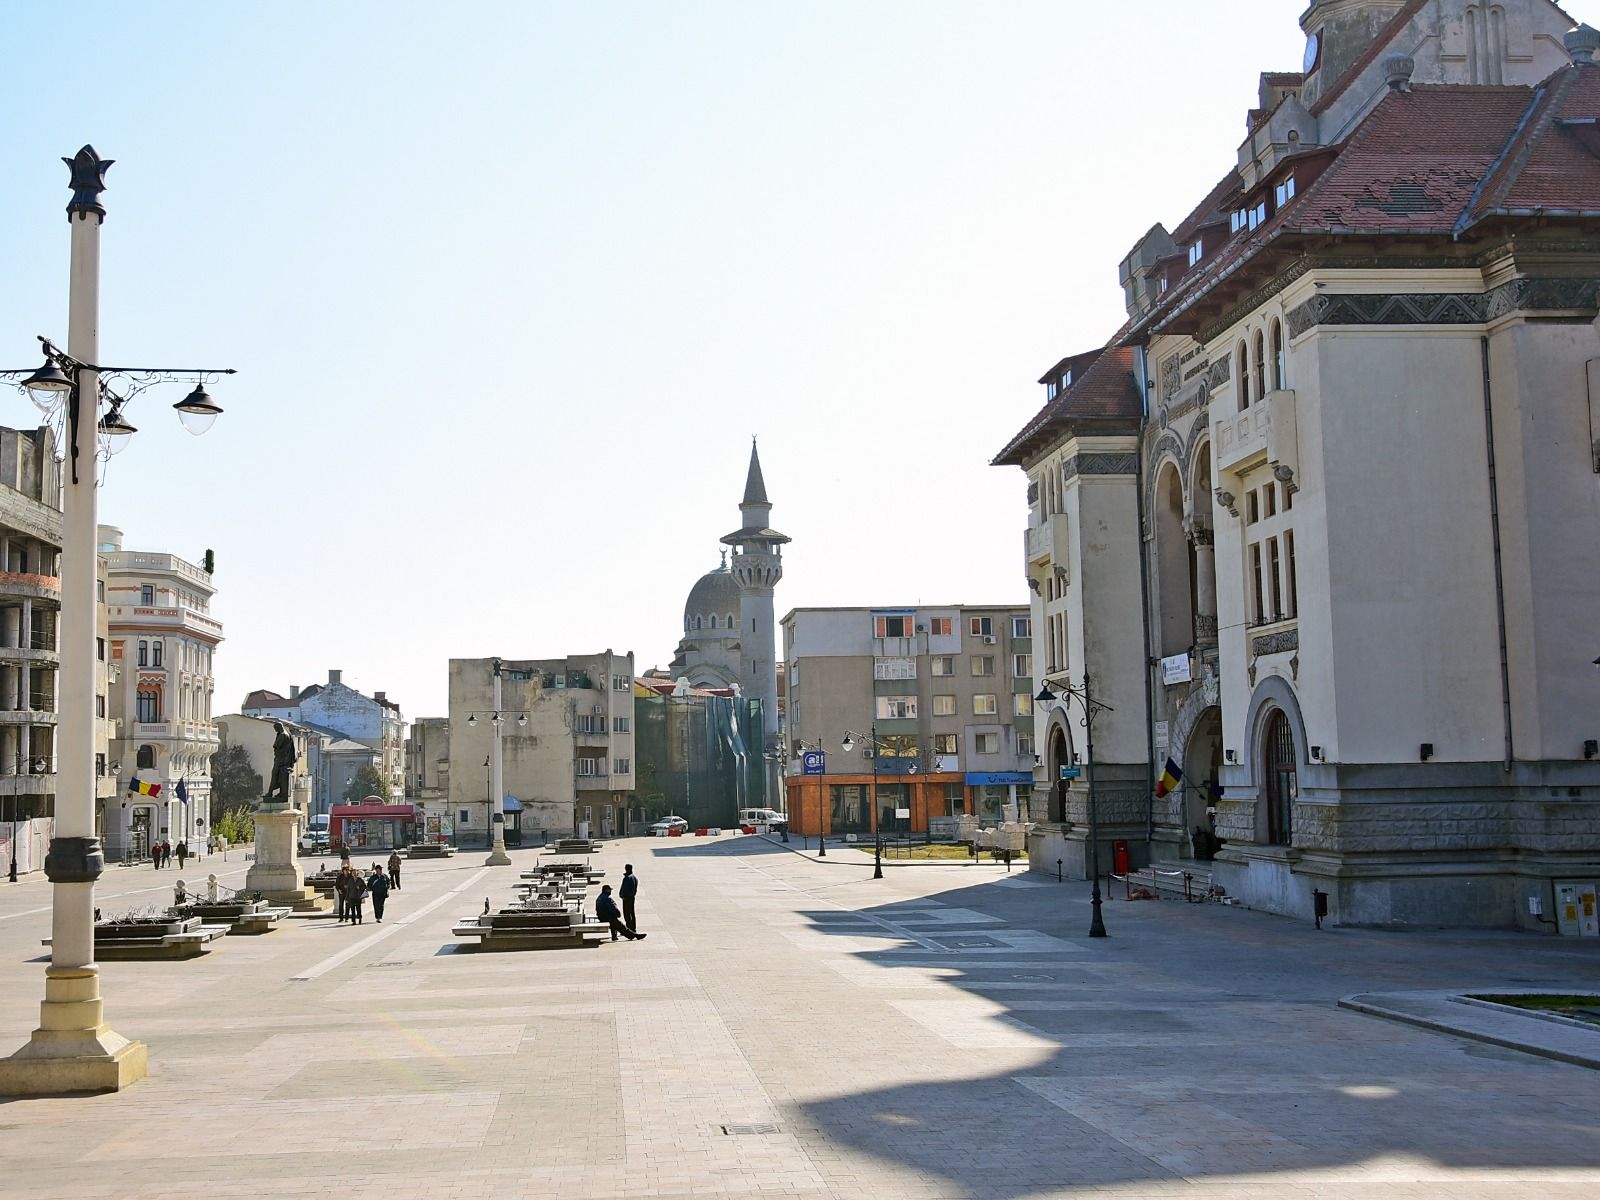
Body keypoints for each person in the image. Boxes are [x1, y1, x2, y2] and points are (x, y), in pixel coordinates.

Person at [619, 864, 639, 932]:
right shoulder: (634, 877)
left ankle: (629, 929)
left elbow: (625, 888)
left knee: (627, 914)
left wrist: (622, 895)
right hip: (631, 897)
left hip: (627, 898)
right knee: (632, 913)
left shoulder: (627, 878)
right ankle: (633, 927)